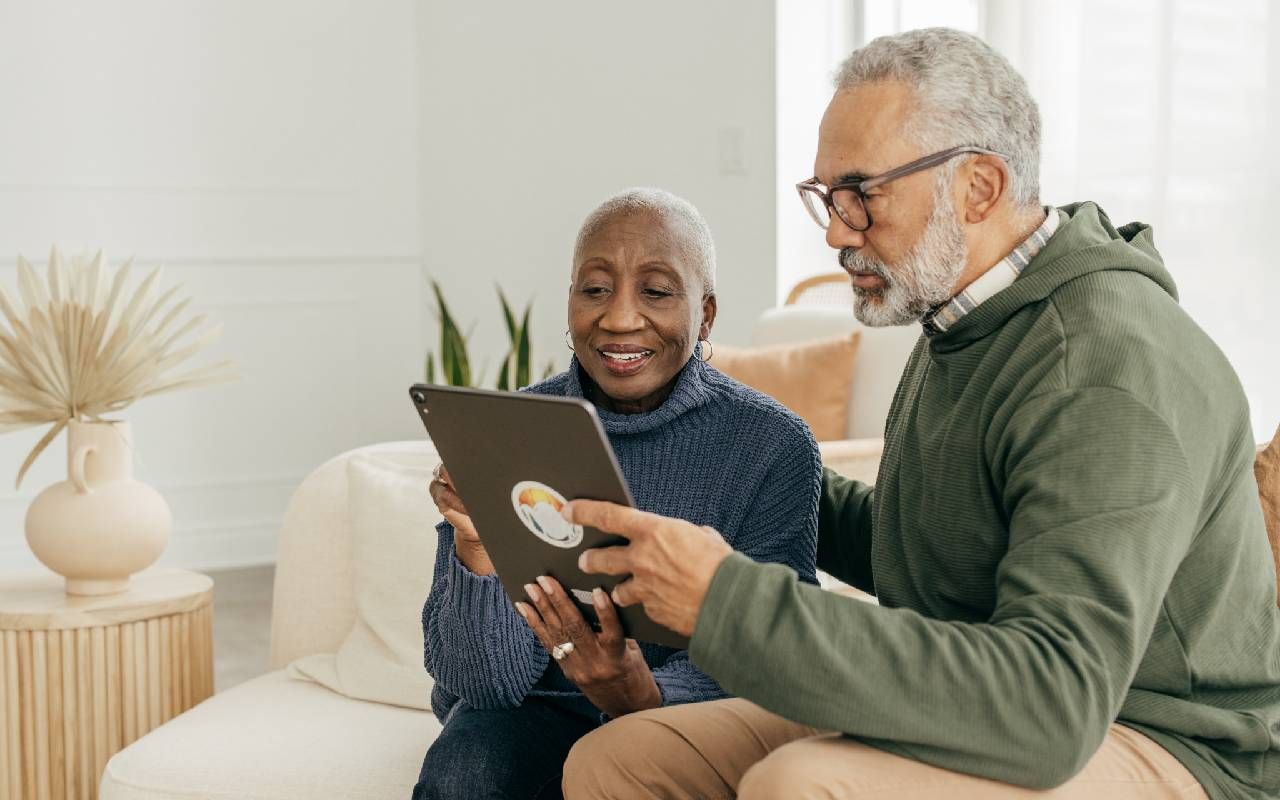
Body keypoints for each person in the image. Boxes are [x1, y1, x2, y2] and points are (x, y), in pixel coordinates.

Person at [559, 28, 1280, 800]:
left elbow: (1051, 704)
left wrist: (724, 600)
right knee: (623, 758)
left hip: (1159, 738)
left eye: (863, 194)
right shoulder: (965, 320)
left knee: (803, 783)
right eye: (827, 197)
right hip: (976, 697)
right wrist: (726, 467)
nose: (837, 231)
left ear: (979, 186)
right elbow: (938, 555)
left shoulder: (1103, 366)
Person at [411, 187, 821, 799]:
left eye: (655, 291)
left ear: (705, 314)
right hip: (534, 709)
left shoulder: (771, 444)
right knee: (462, 777)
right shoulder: (511, 428)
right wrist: (478, 553)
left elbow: (774, 655)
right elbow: (481, 683)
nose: (619, 317)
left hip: (683, 717)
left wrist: (641, 693)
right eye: (595, 289)